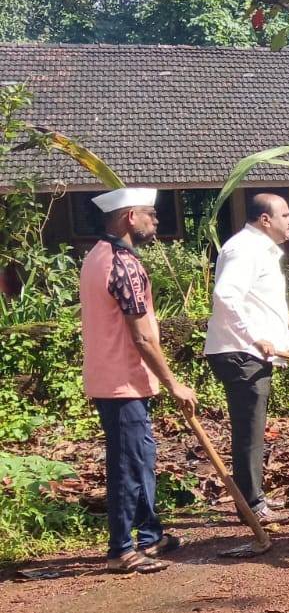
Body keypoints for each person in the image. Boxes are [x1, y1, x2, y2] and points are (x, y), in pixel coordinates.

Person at [79, 187, 198, 573]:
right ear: (131, 217)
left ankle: (150, 535)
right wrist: (174, 383)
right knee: (128, 465)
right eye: (151, 213)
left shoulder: (96, 256)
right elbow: (142, 336)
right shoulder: (123, 264)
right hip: (122, 380)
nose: (156, 221)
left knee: (140, 459)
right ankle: (121, 550)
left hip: (113, 378)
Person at [204, 192, 289, 526]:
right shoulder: (244, 249)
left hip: (250, 350)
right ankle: (251, 504)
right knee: (249, 430)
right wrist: (253, 337)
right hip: (240, 352)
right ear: (265, 220)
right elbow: (225, 296)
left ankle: (253, 497)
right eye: (285, 215)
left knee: (253, 428)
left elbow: (265, 308)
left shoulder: (261, 250)